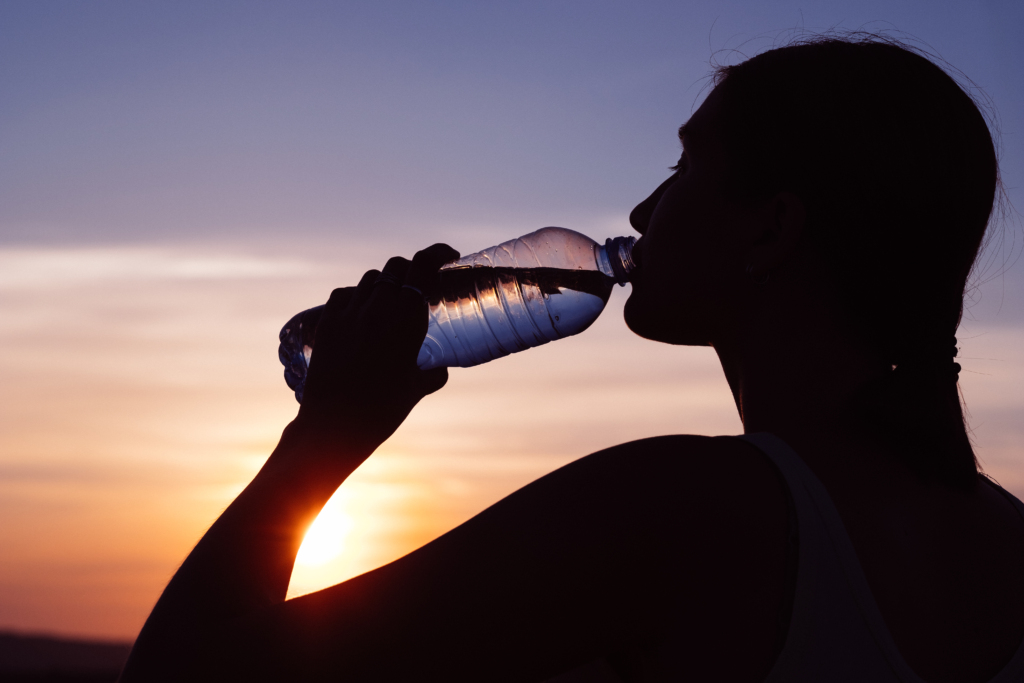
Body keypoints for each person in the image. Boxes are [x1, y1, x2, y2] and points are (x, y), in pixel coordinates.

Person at [119, 34, 1023, 682]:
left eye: (682, 170)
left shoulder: (688, 509)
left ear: (771, 228)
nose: (639, 210)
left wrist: (321, 444)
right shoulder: (1005, 537)